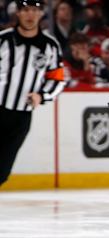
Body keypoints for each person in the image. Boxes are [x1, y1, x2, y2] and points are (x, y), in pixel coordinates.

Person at [0, 0, 65, 186]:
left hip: (21, 117)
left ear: (41, 14)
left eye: (35, 10)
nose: (30, 15)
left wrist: (41, 96)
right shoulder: (3, 40)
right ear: (18, 13)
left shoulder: (50, 46)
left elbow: (57, 79)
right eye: (26, 10)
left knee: (2, 171)